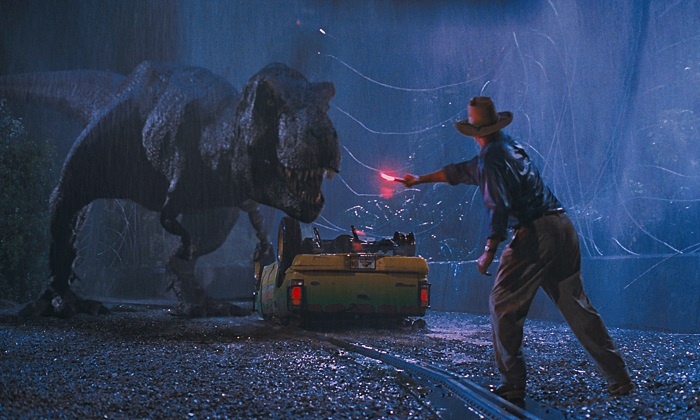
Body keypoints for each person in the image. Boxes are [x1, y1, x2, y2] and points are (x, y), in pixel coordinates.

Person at [401, 96, 634, 401]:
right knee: (577, 306)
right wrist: (420, 179)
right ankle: (619, 377)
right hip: (561, 227)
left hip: (534, 235)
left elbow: (498, 205)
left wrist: (489, 251)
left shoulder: (490, 160)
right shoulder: (509, 147)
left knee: (502, 304)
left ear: (475, 133)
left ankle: (513, 383)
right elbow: (459, 172)